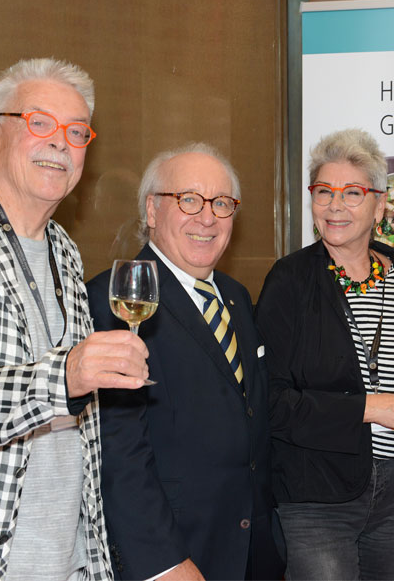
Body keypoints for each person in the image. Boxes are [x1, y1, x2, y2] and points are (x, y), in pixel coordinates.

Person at [0, 57, 150, 580]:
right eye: (40, 123)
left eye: (77, 132)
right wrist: (61, 378)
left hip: (69, 559)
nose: (60, 143)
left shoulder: (64, 249)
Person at [86, 143, 285, 580]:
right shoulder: (116, 301)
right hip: (177, 554)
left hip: (253, 552)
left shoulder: (236, 297)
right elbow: (119, 450)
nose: (208, 217)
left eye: (222, 203)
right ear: (152, 211)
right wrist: (163, 561)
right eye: (189, 200)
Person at [255, 129, 394, 580]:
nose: (334, 205)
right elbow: (271, 402)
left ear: (379, 206)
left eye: (352, 193)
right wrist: (372, 408)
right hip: (316, 495)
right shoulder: (289, 281)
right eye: (324, 192)